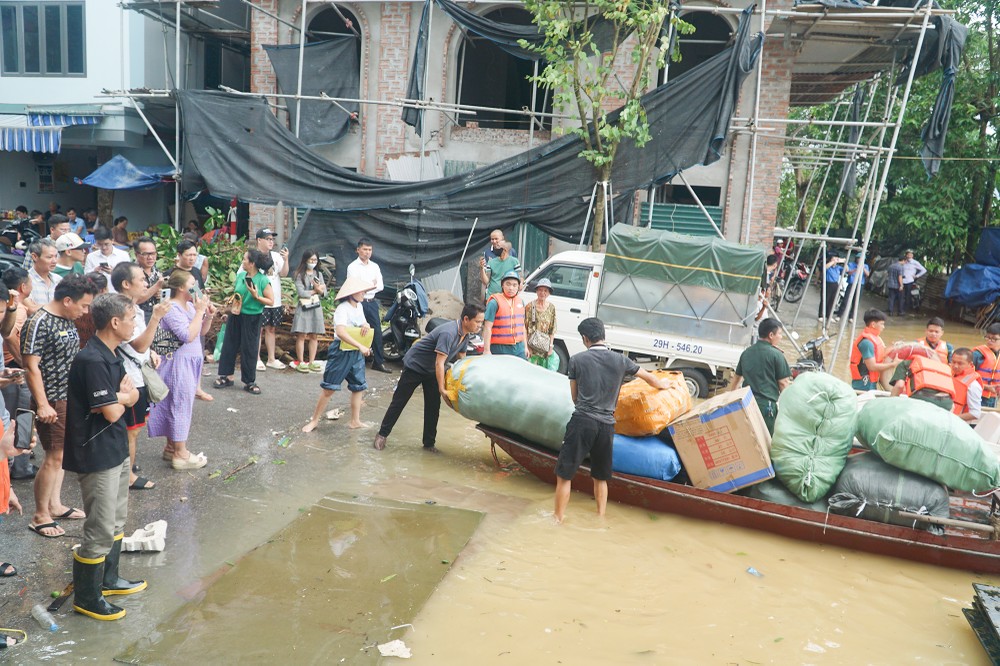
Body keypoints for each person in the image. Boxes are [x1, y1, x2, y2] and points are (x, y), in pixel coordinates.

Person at [62, 293, 144, 621]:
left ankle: (108, 580)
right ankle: (87, 597)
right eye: (132, 318)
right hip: (96, 453)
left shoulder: (111, 353)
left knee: (117, 520)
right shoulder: (92, 360)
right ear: (114, 322)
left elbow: (132, 394)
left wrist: (122, 397)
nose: (135, 323)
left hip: (115, 448)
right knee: (99, 528)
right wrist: (122, 397)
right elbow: (112, 411)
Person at [554, 317, 669, 523]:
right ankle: (600, 518)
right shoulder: (621, 360)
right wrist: (665, 386)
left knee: (565, 474)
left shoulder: (577, 360)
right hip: (607, 426)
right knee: (601, 476)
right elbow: (650, 378)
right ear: (603, 336)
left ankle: (557, 518)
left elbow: (574, 397)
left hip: (582, 421)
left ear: (585, 338)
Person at [22, 275, 98, 538]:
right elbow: (31, 366)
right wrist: (43, 404)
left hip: (69, 397)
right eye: (84, 305)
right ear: (67, 300)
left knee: (62, 456)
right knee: (53, 457)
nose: (85, 311)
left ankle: (54, 504)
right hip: (52, 400)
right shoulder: (39, 322)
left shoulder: (67, 319)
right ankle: (40, 515)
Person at [373, 303, 485, 452]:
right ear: (466, 319)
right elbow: (440, 363)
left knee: (433, 407)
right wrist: (442, 389)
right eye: (477, 322)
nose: (480, 326)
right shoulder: (449, 333)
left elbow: (462, 361)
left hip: (432, 369)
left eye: (481, 322)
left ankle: (429, 444)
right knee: (399, 402)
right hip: (415, 366)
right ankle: (382, 435)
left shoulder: (465, 335)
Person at [110, 263, 171, 489]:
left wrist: (151, 352)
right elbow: (137, 346)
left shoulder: (131, 307)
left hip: (134, 373)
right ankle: (128, 478)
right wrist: (155, 317)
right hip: (130, 379)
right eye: (141, 280)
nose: (146, 284)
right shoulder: (123, 310)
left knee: (130, 429)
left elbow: (140, 346)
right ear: (126, 284)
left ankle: (125, 471)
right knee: (131, 431)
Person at [148, 271, 215, 469]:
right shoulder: (172, 308)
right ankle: (180, 453)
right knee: (180, 404)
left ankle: (171, 448)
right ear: (182, 288)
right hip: (177, 363)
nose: (197, 288)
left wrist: (207, 314)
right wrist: (201, 311)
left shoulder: (190, 306)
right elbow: (187, 335)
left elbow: (201, 331)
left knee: (178, 402)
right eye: (193, 284)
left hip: (189, 361)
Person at [301, 276, 373, 433]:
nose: (363, 294)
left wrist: (365, 325)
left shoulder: (358, 307)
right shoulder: (343, 309)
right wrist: (360, 345)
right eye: (361, 291)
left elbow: (362, 323)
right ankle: (314, 420)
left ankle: (355, 421)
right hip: (341, 351)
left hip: (355, 352)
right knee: (329, 388)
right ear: (352, 293)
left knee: (358, 387)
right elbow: (340, 332)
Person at [215, 249, 273, 395]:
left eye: (245, 259)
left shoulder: (263, 280)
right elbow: (237, 296)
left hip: (253, 317)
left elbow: (270, 301)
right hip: (236, 315)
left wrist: (256, 296)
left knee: (249, 348)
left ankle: (249, 381)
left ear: (252, 263)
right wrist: (229, 312)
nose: (243, 261)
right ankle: (226, 376)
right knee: (229, 345)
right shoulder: (241, 276)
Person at [728, 318, 792, 435]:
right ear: (771, 335)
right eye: (780, 334)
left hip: (746, 404)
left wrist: (731, 402)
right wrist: (789, 409)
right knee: (765, 443)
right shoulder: (776, 355)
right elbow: (783, 384)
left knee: (747, 439)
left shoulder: (747, 352)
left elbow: (736, 380)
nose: (781, 337)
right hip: (766, 408)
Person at [2, 268, 37, 480]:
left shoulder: (17, 308)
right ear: (23, 287)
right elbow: (11, 337)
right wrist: (26, 366)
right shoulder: (19, 311)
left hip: (9, 369)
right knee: (22, 417)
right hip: (15, 369)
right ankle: (21, 467)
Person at [347, 238, 391, 373]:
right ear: (358, 250)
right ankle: (352, 361)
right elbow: (354, 286)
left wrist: (367, 286)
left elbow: (380, 286)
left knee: (376, 331)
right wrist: (370, 285)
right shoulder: (352, 267)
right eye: (365, 249)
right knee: (356, 330)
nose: (367, 252)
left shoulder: (375, 266)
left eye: (370, 250)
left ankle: (378, 362)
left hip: (371, 302)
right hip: (358, 302)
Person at [254, 229, 289, 371]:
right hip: (259, 300)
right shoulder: (253, 256)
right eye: (267, 239)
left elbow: (284, 273)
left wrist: (286, 259)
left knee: (271, 329)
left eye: (272, 239)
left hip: (275, 300)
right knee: (258, 330)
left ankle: (271, 358)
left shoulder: (275, 256)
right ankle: (255, 359)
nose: (271, 242)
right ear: (259, 240)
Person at [291, 250, 326, 372]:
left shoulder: (319, 274)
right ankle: (301, 361)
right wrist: (316, 290)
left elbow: (324, 292)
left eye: (315, 260)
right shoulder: (299, 274)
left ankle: (311, 361)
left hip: (316, 307)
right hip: (304, 307)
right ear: (305, 260)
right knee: (301, 334)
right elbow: (301, 293)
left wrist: (319, 290)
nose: (313, 262)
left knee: (314, 335)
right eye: (311, 260)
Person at [849, 308, 899, 392]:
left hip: (871, 383)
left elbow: (879, 356)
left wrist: (892, 347)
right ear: (873, 324)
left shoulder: (876, 338)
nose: (884, 327)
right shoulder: (867, 343)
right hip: (863, 385)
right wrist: (893, 365)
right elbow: (872, 367)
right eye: (882, 324)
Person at [483, 271, 527, 357]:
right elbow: (487, 327)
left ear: (518, 287)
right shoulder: (494, 302)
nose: (511, 288)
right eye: (508, 284)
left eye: (514, 285)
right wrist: (486, 350)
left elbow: (522, 327)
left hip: (519, 347)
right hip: (500, 347)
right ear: (502, 285)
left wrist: (525, 347)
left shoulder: (521, 302)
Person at [888, 354, 955, 412]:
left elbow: (899, 385)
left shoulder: (906, 363)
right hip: (947, 402)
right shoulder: (942, 367)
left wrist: (889, 405)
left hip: (923, 398)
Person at [525, 278, 558, 370]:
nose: (542, 293)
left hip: (544, 348)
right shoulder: (529, 306)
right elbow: (525, 327)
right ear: (536, 291)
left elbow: (552, 329)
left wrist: (550, 347)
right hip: (531, 346)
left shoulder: (551, 308)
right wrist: (527, 347)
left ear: (549, 293)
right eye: (540, 290)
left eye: (545, 290)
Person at [25, 238, 61, 314]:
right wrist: (59, 307)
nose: (54, 261)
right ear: (34, 257)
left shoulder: (58, 279)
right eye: (49, 257)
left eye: (56, 256)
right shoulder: (25, 281)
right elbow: (31, 309)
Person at [133, 237, 165, 319]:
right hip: (139, 317)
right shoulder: (131, 273)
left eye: (153, 253)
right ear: (136, 254)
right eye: (145, 254)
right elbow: (134, 300)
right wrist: (155, 288)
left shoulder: (158, 273)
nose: (150, 257)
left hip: (158, 316)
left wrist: (161, 294)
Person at [951, 347, 983, 422]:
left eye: (960, 363)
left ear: (970, 364)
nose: (955, 366)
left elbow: (975, 413)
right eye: (953, 362)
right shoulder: (949, 374)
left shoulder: (973, 385)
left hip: (956, 424)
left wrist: (951, 418)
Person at [973, 323, 1000, 408]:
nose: (989, 341)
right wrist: (986, 387)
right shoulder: (977, 354)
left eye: (994, 339)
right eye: (988, 337)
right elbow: (966, 376)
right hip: (976, 395)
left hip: (993, 397)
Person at [818, 254, 843, 322]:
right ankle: (821, 315)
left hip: (835, 284)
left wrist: (843, 261)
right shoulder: (828, 265)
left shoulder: (838, 267)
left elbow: (846, 270)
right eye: (833, 258)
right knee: (825, 300)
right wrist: (833, 261)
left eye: (836, 258)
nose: (835, 260)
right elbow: (825, 267)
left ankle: (828, 316)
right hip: (827, 283)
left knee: (832, 301)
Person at [901, 250, 927, 315]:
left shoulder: (915, 263)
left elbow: (924, 270)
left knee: (908, 295)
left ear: (912, 255)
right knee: (901, 295)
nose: (909, 255)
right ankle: (901, 308)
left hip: (910, 281)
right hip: (902, 281)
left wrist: (916, 276)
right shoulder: (904, 262)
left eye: (911, 254)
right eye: (908, 254)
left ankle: (906, 309)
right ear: (906, 255)